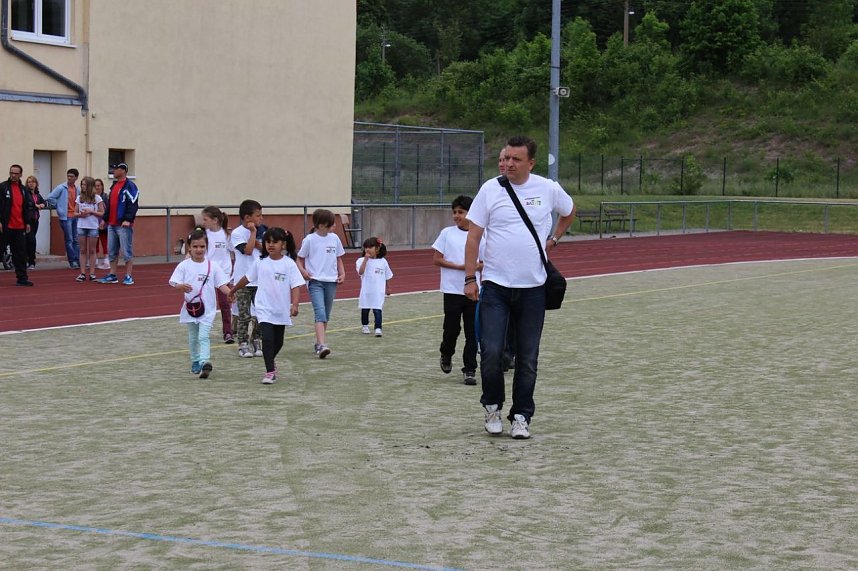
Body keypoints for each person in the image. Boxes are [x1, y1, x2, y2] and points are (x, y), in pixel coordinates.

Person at [464, 135, 575, 439]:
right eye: (506, 158)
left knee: (527, 357)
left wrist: (554, 239)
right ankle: (492, 407)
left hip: (533, 288)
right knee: (491, 351)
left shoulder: (548, 189)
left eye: (515, 159)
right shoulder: (490, 189)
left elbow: (569, 211)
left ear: (531, 163)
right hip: (496, 286)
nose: (508, 164)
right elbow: (473, 236)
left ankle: (522, 415)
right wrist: (470, 278)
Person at [230, 227, 304, 384]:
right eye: (267, 242)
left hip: (281, 309)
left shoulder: (289, 264)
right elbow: (247, 278)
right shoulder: (260, 262)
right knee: (268, 339)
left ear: (283, 244)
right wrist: (233, 290)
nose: (270, 245)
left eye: (275, 242)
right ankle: (270, 371)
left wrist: (295, 305)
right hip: (263, 308)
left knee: (279, 342)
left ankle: (270, 361)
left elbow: (296, 285)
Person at [432, 194, 483, 386]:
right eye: (454, 212)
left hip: (473, 291)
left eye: (461, 212)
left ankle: (469, 369)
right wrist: (459, 266)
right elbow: (437, 259)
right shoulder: (447, 233)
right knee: (451, 329)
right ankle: (446, 353)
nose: (456, 216)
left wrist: (474, 267)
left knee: (473, 332)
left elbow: (486, 262)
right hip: (452, 290)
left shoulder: (480, 235)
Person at [169, 228, 232, 379]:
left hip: (208, 309)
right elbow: (174, 282)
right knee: (193, 337)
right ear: (189, 247)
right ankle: (195, 361)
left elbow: (221, 284)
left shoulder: (213, 266)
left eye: (202, 246)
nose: (199, 249)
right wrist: (180, 287)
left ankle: (205, 362)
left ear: (207, 247)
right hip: (190, 308)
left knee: (203, 336)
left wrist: (230, 292)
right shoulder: (184, 266)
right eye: (195, 246)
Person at [296, 208, 345, 359]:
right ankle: (322, 345)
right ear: (322, 225)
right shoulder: (310, 240)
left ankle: (319, 343)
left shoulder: (335, 239)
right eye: (331, 224)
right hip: (315, 281)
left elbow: (338, 258)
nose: (334, 226)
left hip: (331, 282)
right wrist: (304, 272)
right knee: (320, 313)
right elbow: (299, 258)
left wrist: (342, 273)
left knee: (326, 315)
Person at [230, 199, 264, 358]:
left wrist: (257, 237)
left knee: (262, 313)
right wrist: (253, 234)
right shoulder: (237, 233)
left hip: (260, 279)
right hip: (243, 280)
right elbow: (248, 250)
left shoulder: (262, 230)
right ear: (247, 218)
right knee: (244, 314)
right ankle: (242, 343)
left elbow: (266, 249)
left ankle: (256, 339)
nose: (261, 219)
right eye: (258, 216)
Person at [97, 163, 139, 285]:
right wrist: (105, 219)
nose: (113, 171)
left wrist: (128, 219)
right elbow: (110, 205)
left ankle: (128, 276)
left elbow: (133, 204)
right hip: (112, 224)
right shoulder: (114, 186)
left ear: (123, 170)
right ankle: (112, 274)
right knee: (112, 251)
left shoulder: (130, 186)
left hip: (123, 225)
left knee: (127, 251)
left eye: (116, 169)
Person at [200, 206, 235, 344]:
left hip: (224, 274)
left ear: (215, 220)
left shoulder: (226, 235)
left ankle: (228, 332)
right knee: (207, 303)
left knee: (225, 303)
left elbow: (233, 251)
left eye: (205, 219)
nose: (203, 222)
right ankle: (203, 330)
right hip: (208, 273)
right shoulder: (205, 235)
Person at [0, 164, 36, 286]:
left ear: (20, 174)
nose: (13, 175)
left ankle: (22, 278)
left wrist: (27, 222)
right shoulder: (3, 187)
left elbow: (26, 207)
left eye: (16, 173)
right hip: (5, 227)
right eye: (11, 173)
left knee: (20, 254)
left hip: (19, 227)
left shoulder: (23, 190)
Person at [356, 236, 393, 337]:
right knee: (365, 309)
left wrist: (388, 287)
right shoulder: (360, 260)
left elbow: (387, 275)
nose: (367, 249)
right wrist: (366, 260)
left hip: (378, 291)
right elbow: (360, 272)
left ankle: (378, 328)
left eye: (370, 247)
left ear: (377, 249)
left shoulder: (383, 261)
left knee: (377, 309)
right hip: (366, 291)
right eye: (366, 247)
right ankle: (365, 325)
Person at [46, 168, 81, 269]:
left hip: (75, 216)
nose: (69, 178)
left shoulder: (77, 189)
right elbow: (50, 197)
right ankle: (72, 261)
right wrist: (59, 207)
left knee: (76, 239)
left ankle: (78, 259)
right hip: (65, 217)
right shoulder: (61, 187)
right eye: (68, 176)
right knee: (69, 239)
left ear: (76, 178)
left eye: (72, 177)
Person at [74, 176, 104, 282]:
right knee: (82, 250)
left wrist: (91, 212)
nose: (82, 186)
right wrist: (80, 215)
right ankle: (82, 273)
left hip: (92, 226)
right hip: (81, 226)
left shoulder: (97, 198)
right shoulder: (79, 198)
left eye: (84, 184)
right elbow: (75, 212)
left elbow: (102, 212)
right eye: (82, 184)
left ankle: (92, 273)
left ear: (90, 186)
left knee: (92, 250)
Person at [24, 175, 46, 270]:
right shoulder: (25, 193)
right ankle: (30, 261)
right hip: (27, 221)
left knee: (30, 241)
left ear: (36, 184)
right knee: (31, 240)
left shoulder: (37, 194)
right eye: (29, 182)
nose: (31, 184)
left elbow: (44, 202)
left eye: (33, 182)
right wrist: (35, 205)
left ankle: (30, 260)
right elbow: (27, 204)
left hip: (35, 220)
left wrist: (42, 204)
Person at [94, 178, 110, 270]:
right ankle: (95, 260)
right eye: (95, 186)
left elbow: (108, 210)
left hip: (103, 221)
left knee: (104, 240)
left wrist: (105, 220)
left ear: (102, 186)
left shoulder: (105, 197)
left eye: (99, 186)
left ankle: (106, 260)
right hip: (93, 222)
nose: (97, 188)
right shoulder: (91, 197)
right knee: (94, 241)